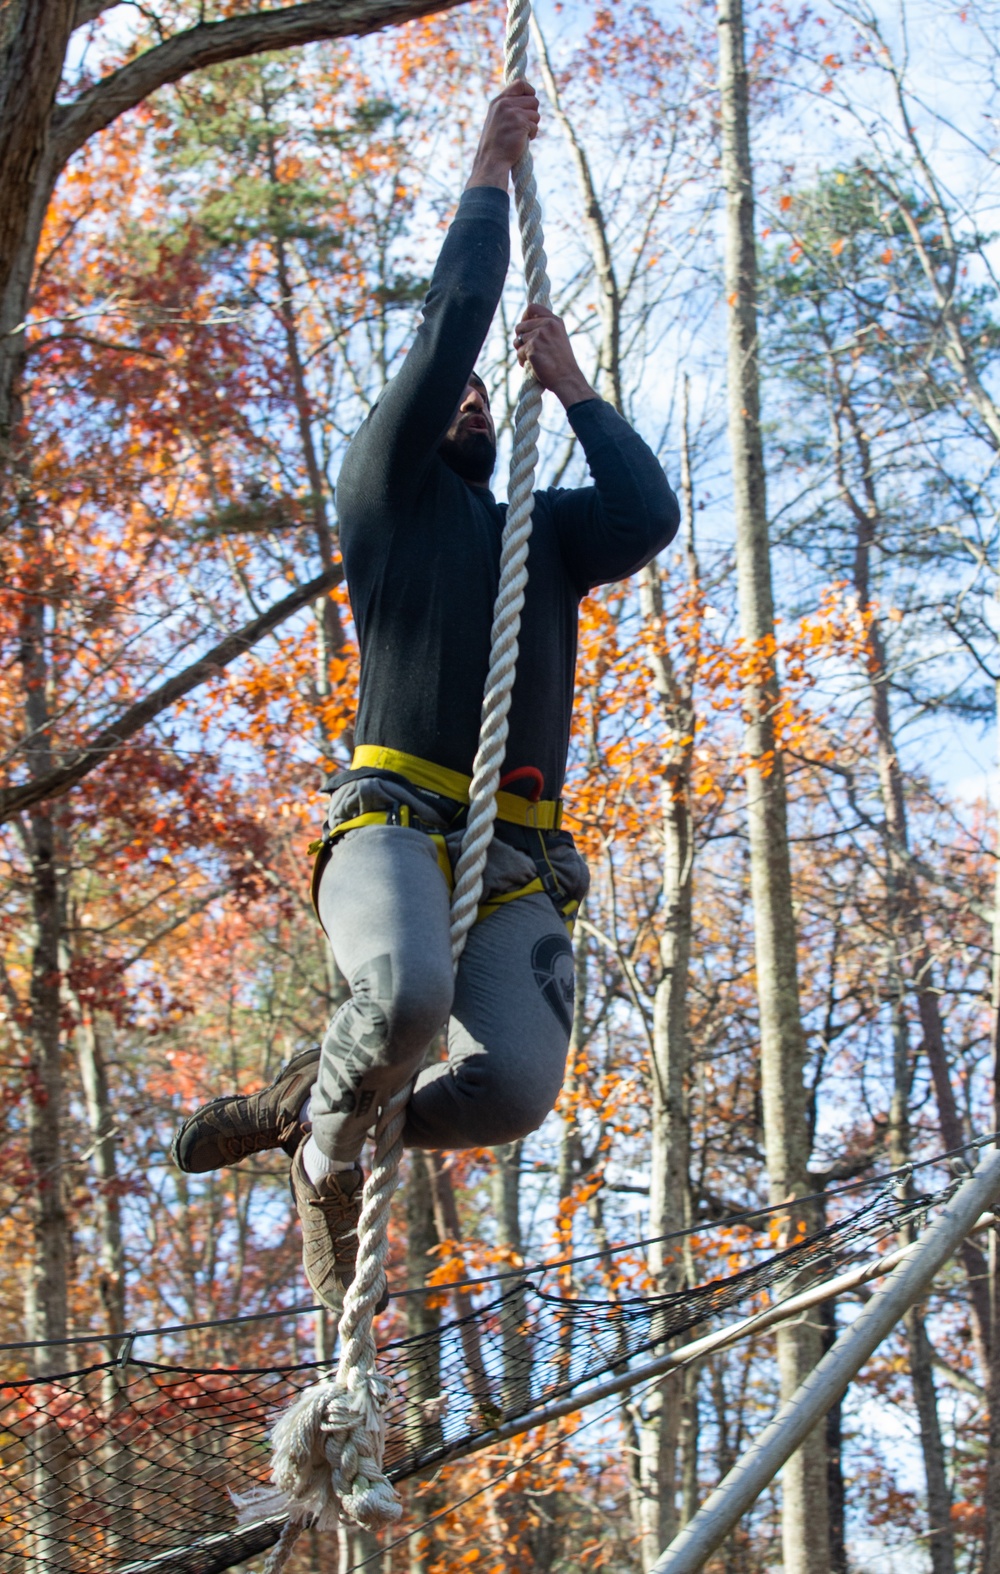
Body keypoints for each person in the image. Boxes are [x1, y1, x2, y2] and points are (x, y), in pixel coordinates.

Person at [171, 81, 679, 1311]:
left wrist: (573, 387)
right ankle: (330, 1155)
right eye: (454, 393)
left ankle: (309, 1102)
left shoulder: (538, 542)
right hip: (393, 823)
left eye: (482, 400)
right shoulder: (387, 497)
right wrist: (486, 170)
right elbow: (451, 323)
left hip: (514, 859)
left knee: (512, 1089)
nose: (468, 398)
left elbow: (646, 515)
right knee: (403, 996)